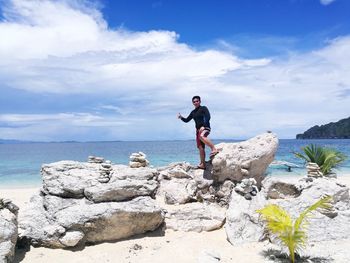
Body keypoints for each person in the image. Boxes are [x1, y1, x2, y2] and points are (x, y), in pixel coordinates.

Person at [177, 96, 218, 169]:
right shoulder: (193, 112)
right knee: (200, 147)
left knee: (202, 136)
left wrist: (204, 126)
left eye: (197, 101)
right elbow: (187, 120)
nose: (195, 102)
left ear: (200, 101)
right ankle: (203, 164)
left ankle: (214, 149)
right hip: (197, 130)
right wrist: (181, 117)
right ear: (192, 103)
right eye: (194, 101)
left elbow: (208, 117)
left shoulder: (203, 108)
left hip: (205, 128)